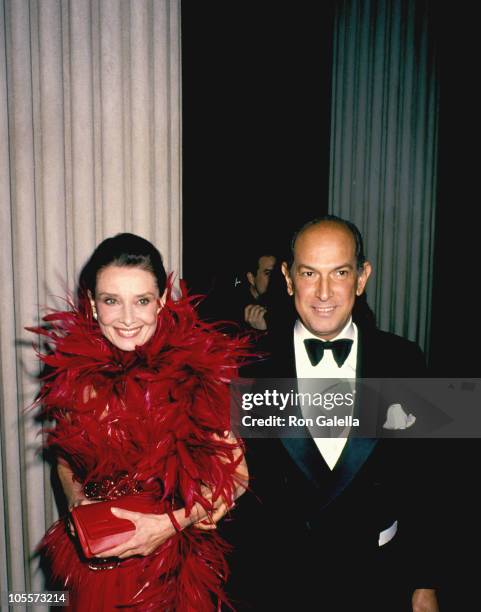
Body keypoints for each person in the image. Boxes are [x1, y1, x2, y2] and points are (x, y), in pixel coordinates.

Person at [229, 216, 440, 611]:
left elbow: (425, 481)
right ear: (289, 279)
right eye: (309, 273)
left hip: (377, 581)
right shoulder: (248, 368)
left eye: (339, 272)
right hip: (278, 585)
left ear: (361, 278)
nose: (323, 292)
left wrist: (424, 582)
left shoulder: (404, 360)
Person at [31, 233, 249, 611]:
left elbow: (240, 478)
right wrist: (74, 499)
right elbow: (65, 459)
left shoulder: (194, 376)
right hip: (94, 567)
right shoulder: (73, 378)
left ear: (162, 303)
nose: (128, 319)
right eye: (112, 301)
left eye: (142, 301)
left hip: (169, 572)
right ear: (93, 306)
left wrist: (168, 524)